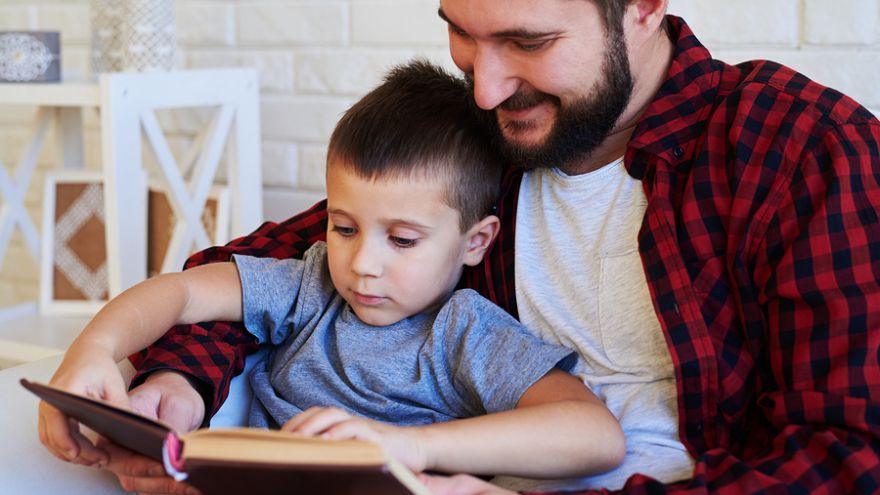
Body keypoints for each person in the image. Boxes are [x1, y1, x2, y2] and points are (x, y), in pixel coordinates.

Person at [41, 0, 880, 493]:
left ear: (645, 6)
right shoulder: (478, 142)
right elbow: (282, 271)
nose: (485, 85)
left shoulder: (802, 148)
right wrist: (170, 387)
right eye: (460, 32)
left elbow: (846, 459)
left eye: (527, 42)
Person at [39, 60, 625, 492]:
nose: (363, 263)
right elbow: (182, 291)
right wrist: (95, 348)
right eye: (344, 227)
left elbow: (595, 435)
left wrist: (410, 444)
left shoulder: (466, 332)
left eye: (401, 240)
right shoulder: (311, 287)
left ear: (476, 242)